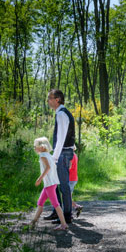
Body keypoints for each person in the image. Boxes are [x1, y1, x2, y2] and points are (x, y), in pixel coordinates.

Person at [42, 89, 75, 225]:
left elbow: (61, 138)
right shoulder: (62, 113)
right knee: (55, 184)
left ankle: (66, 216)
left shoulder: (61, 114)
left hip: (62, 154)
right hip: (64, 153)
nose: (48, 100)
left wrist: (54, 158)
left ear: (57, 99)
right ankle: (58, 212)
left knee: (64, 186)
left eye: (50, 98)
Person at [30, 137, 68, 231]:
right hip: (50, 183)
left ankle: (64, 224)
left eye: (36, 146)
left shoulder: (43, 155)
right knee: (40, 202)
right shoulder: (48, 155)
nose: (34, 148)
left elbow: (48, 168)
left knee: (56, 204)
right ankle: (33, 222)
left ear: (42, 147)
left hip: (50, 184)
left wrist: (39, 179)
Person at [68, 148, 83, 218]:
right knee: (68, 196)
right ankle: (76, 207)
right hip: (74, 178)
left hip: (70, 178)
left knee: (66, 197)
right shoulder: (75, 155)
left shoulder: (70, 156)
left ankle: (71, 211)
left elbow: (69, 167)